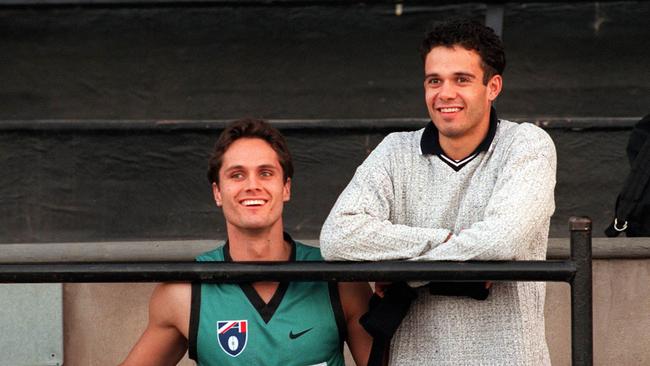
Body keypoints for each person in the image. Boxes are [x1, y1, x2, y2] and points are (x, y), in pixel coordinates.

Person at [320, 19, 556, 365]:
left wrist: (402, 273)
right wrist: (449, 247)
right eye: (434, 81)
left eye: (462, 79)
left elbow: (500, 242)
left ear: (493, 86)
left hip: (508, 356)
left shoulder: (526, 145)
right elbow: (337, 237)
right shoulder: (394, 151)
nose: (445, 93)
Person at [121, 118, 373, 366]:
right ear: (217, 192)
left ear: (285, 188)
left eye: (265, 173)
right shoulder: (183, 293)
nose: (252, 185)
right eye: (237, 175)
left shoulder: (338, 280)